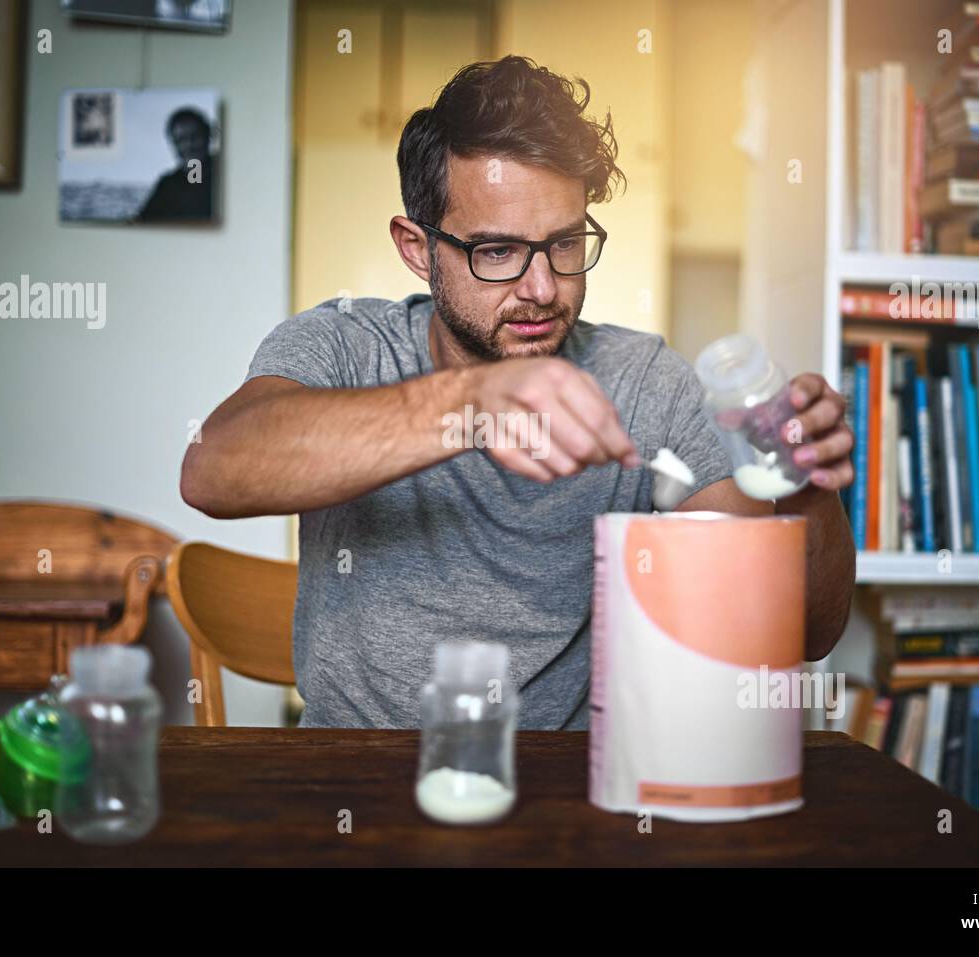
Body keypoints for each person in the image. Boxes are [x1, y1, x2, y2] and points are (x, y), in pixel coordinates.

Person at [181, 55, 856, 730]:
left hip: (564, 793)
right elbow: (213, 469)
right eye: (497, 251)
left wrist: (801, 483)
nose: (541, 287)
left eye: (563, 244)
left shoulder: (644, 379)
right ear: (417, 248)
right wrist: (470, 402)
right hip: (354, 783)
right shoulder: (345, 344)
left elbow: (800, 633)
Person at [137, 107, 214, 222]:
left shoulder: (229, 172)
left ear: (208, 136)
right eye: (181, 140)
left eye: (195, 137)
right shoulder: (167, 185)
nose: (189, 145)